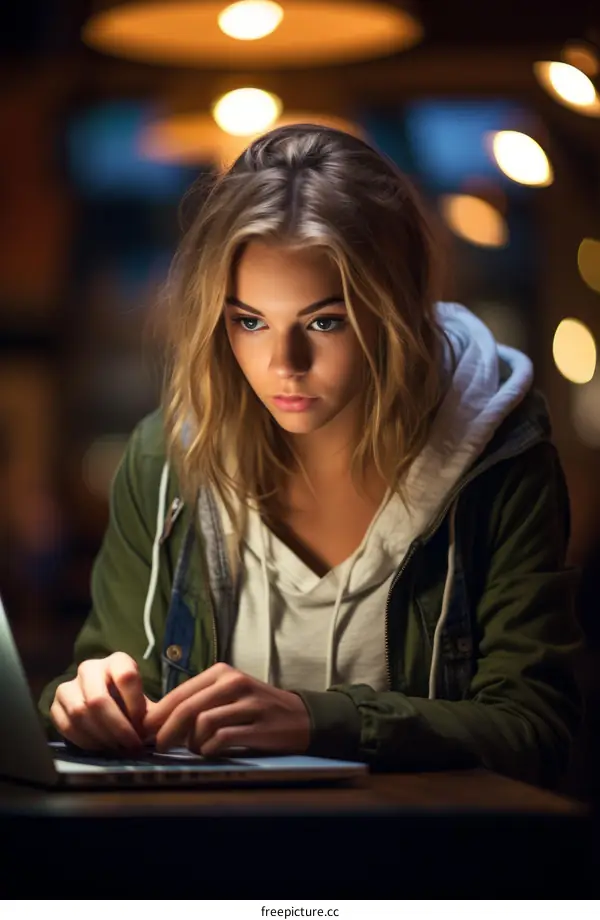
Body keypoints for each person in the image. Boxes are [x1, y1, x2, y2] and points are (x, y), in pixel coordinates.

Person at [38, 124, 582, 788]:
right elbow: (110, 680)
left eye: (325, 321)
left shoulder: (501, 458)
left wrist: (317, 720)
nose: (284, 364)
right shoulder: (166, 460)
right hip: (206, 846)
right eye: (250, 321)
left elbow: (535, 730)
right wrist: (85, 701)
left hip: (423, 850)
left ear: (397, 309)